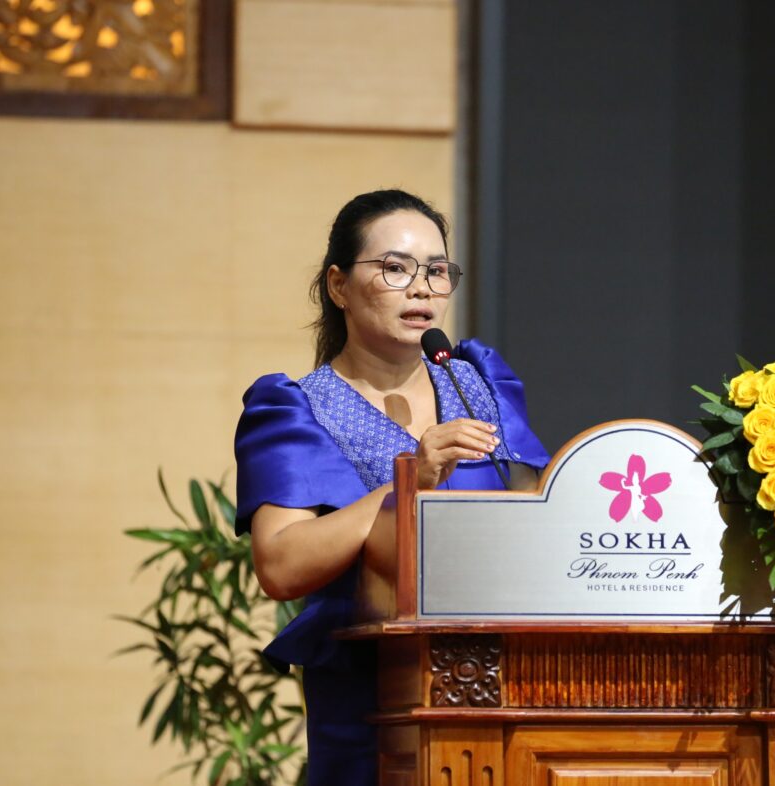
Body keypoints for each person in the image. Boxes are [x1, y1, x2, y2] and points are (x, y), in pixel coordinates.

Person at [233, 189, 549, 785]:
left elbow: (536, 519)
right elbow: (280, 565)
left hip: (503, 684)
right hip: (373, 699)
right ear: (338, 286)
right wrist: (408, 482)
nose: (422, 289)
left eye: (437, 271)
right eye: (396, 269)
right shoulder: (296, 408)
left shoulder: (478, 383)